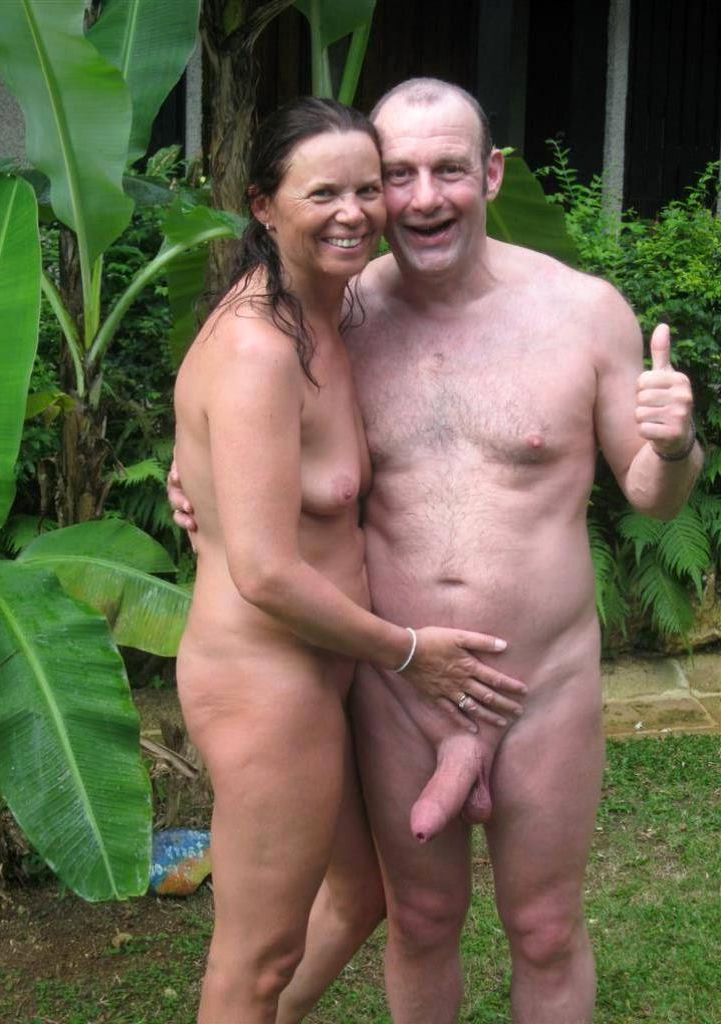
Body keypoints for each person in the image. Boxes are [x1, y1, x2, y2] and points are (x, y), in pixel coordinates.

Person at [171, 80, 701, 1024]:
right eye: (397, 174)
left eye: (448, 170)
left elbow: (650, 494)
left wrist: (673, 446)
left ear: (489, 174)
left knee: (544, 928)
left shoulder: (582, 312)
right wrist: (196, 474)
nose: (420, 198)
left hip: (539, 684)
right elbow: (243, 406)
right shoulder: (343, 309)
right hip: (397, 688)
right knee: (418, 919)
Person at [172, 94, 527, 1024]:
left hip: (321, 672)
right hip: (266, 683)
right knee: (256, 959)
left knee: (361, 895)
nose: (354, 212)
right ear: (263, 206)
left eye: (368, 189)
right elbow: (264, 571)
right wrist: (409, 651)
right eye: (321, 193)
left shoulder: (332, 313)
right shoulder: (258, 348)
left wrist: (190, 465)